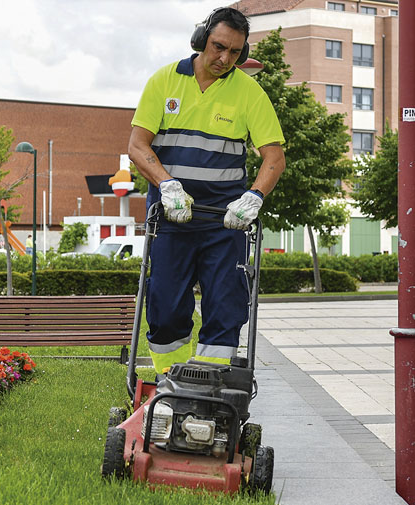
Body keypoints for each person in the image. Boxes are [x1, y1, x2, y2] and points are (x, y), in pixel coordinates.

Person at [128, 7, 285, 374]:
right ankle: (171, 383)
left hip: (225, 222)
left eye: (234, 53)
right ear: (201, 40)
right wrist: (167, 184)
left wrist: (255, 197)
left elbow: (274, 158)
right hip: (171, 215)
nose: (224, 59)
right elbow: (138, 145)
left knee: (227, 306)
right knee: (165, 308)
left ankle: (211, 388)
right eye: (218, 47)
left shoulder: (249, 93)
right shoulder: (164, 81)